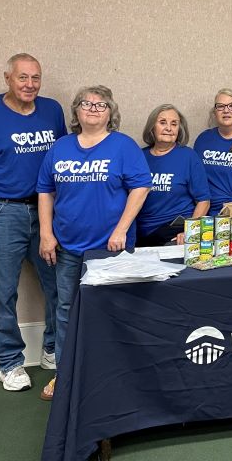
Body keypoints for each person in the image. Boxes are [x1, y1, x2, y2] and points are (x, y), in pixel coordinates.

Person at [37, 85, 152, 400]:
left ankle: (115, 372)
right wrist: (46, 233)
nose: (92, 108)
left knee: (113, 309)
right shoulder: (60, 148)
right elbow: (45, 190)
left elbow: (141, 187)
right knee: (65, 309)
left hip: (110, 249)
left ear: (110, 112)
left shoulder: (123, 146)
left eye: (101, 105)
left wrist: (121, 229)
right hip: (69, 247)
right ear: (76, 111)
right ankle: (65, 373)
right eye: (86, 103)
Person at [0, 53, 64, 392]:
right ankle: (10, 362)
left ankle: (52, 348)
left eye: (35, 78)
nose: (29, 84)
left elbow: (65, 160)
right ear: (7, 78)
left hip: (47, 212)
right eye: (22, 78)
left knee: (59, 285)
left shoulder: (53, 111)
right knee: (3, 291)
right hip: (1, 212)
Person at [135, 104, 211, 246]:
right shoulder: (139, 156)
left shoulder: (188, 156)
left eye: (174, 124)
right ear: (152, 127)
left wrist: (190, 231)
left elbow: (204, 201)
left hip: (174, 233)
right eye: (162, 122)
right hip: (140, 233)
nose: (169, 128)